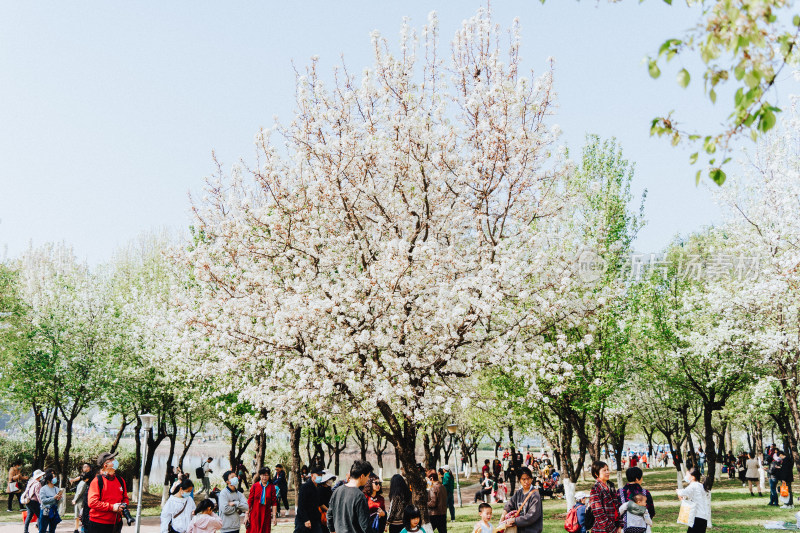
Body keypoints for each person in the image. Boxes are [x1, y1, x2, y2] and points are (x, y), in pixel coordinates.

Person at [87, 452, 130, 533]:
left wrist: (124, 506)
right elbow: (92, 502)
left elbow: (125, 498)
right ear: (105, 464)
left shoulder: (121, 480)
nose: (115, 461)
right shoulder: (97, 481)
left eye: (114, 459)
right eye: (112, 460)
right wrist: (112, 507)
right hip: (98, 524)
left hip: (116, 523)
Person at [327, 460, 373, 533]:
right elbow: (365, 525)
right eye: (368, 476)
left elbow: (329, 515)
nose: (368, 479)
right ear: (362, 476)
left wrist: (332, 530)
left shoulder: (337, 491)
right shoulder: (359, 496)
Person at [501, 467, 542, 533]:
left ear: (531, 479)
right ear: (519, 480)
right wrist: (503, 516)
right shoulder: (518, 493)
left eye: (528, 478)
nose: (526, 481)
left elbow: (532, 515)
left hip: (532, 530)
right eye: (523, 479)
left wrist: (515, 520)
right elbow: (509, 505)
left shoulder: (535, 495)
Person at [588, 461, 623, 533]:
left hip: (615, 526)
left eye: (608, 469)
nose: (607, 472)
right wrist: (612, 529)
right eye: (604, 470)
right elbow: (598, 513)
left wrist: (619, 525)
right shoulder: (596, 488)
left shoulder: (611, 486)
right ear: (596, 473)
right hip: (603, 529)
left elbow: (616, 507)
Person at [676, 467, 711, 533]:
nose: (685, 477)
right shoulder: (700, 485)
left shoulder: (693, 485)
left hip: (697, 517)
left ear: (693, 477)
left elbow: (683, 492)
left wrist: (678, 491)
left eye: (687, 475)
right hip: (703, 517)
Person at [247, 467, 277, 533]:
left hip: (266, 514)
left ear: (269, 476)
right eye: (263, 475)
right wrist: (247, 515)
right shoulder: (254, 486)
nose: (265, 477)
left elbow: (274, 503)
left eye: (266, 475)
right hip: (255, 514)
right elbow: (249, 501)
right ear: (260, 475)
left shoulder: (272, 487)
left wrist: (274, 517)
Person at [296, 468, 322, 533]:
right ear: (312, 476)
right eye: (318, 475)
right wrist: (306, 519)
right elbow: (301, 505)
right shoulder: (305, 487)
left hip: (315, 519)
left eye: (321, 475)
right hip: (304, 520)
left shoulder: (318, 488)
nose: (320, 477)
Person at [73, 466, 93, 533]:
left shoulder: (83, 483)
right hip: (80, 501)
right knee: (79, 516)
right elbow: (79, 492)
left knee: (79, 516)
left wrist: (75, 499)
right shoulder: (84, 483)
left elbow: (79, 493)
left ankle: (77, 529)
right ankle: (77, 529)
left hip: (80, 501)